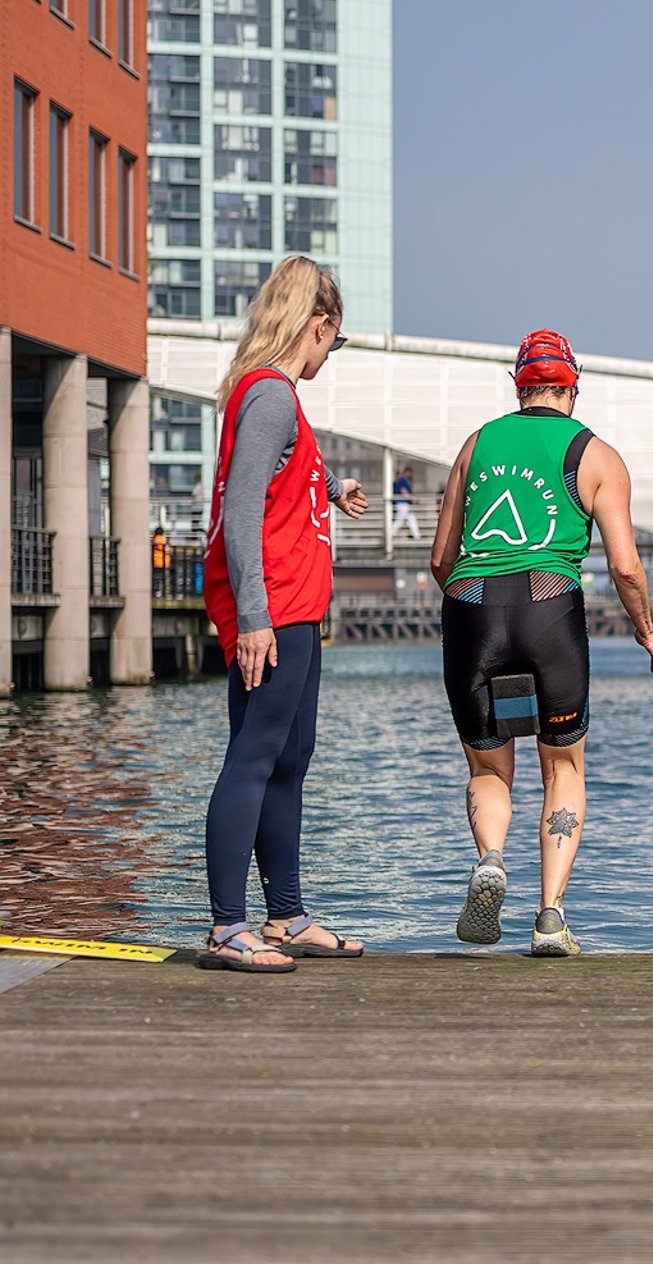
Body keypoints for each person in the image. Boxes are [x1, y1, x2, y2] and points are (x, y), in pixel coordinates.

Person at [431, 328, 653, 956]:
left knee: (489, 766)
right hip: (549, 610)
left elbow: (440, 557)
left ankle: (489, 860)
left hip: (473, 608)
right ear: (573, 385)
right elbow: (624, 567)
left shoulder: (476, 444)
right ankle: (550, 918)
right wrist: (647, 632)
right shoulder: (597, 455)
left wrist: (472, 604)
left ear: (518, 385)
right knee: (562, 766)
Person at [198, 255, 369, 972]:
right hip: (275, 609)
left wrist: (331, 486)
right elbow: (241, 511)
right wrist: (256, 620)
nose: (329, 356)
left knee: (289, 760)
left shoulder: (275, 399)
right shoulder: (269, 394)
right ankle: (227, 926)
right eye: (333, 341)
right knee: (255, 756)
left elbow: (281, 475)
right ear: (318, 326)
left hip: (298, 606)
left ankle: (288, 917)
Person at [389, 464, 421, 540]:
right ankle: (391, 534)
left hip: (405, 503)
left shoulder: (403, 480)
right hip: (402, 503)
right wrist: (412, 499)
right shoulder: (402, 479)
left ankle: (417, 535)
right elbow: (403, 491)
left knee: (411, 518)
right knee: (400, 519)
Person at [150, 526, 172, 597]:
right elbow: (167, 550)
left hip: (156, 561)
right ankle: (165, 593)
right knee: (164, 578)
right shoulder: (163, 540)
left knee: (156, 578)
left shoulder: (154, 540)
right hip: (164, 562)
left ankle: (157, 593)